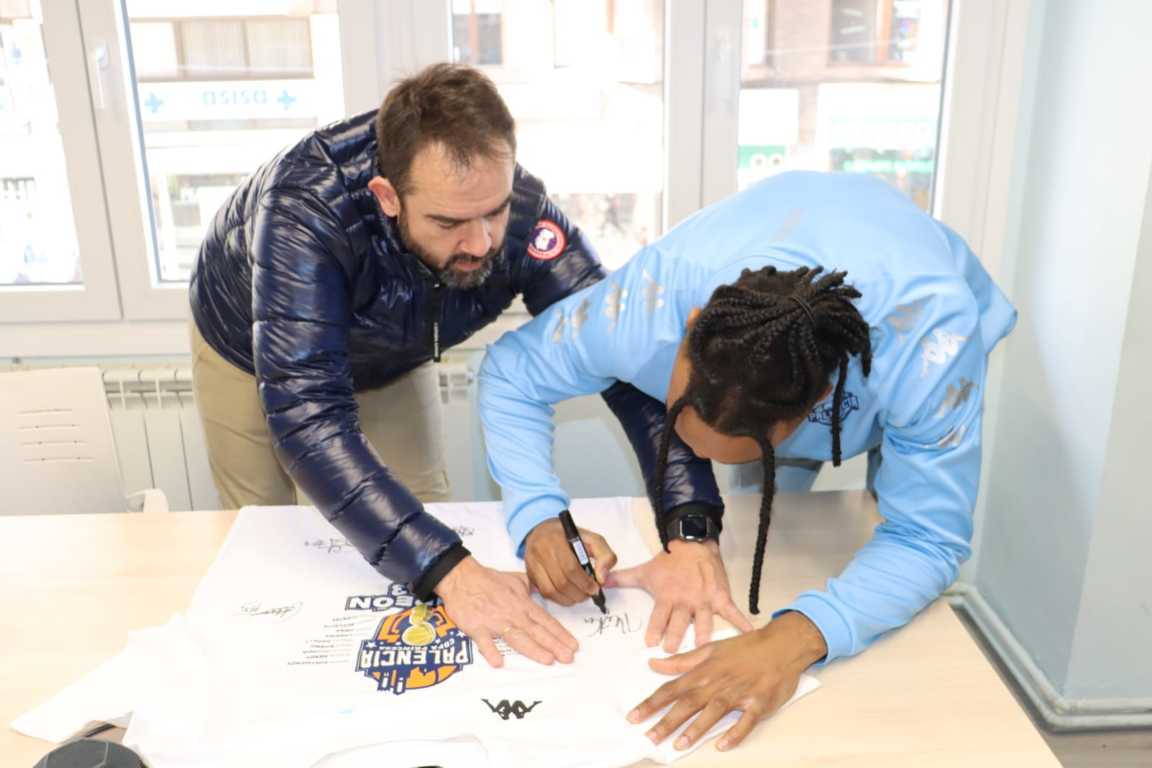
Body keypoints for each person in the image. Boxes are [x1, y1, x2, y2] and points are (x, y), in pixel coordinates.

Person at [188, 63, 723, 668]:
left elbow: (626, 364)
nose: (481, 243)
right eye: (448, 223)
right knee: (264, 534)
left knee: (421, 516)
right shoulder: (305, 208)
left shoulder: (524, 215)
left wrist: (690, 529)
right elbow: (308, 417)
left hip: (392, 350)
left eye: (494, 212)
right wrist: (449, 570)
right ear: (388, 197)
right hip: (248, 345)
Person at [477, 170, 1016, 750]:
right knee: (774, 536)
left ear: (817, 404)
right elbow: (511, 373)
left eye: (741, 449)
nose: (698, 457)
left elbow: (928, 537)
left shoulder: (932, 346)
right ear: (688, 331)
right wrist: (538, 514)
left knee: (889, 569)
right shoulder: (647, 303)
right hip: (773, 283)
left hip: (904, 323)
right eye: (683, 426)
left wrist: (792, 639)